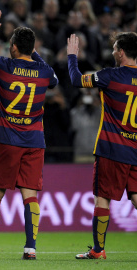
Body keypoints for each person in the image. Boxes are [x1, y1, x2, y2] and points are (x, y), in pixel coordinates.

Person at [0, 11, 59, 260]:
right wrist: (34, 53)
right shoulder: (45, 71)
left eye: (11, 45)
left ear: (14, 47)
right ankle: (30, 248)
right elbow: (55, 80)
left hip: (7, 139)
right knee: (30, 194)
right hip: (34, 141)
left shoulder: (3, 64)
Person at [67, 32, 137, 259]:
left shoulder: (110, 76)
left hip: (112, 148)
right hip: (136, 150)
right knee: (136, 197)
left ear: (121, 52)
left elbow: (77, 80)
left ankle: (98, 250)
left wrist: (71, 57)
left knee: (102, 198)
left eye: (115, 48)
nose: (113, 52)